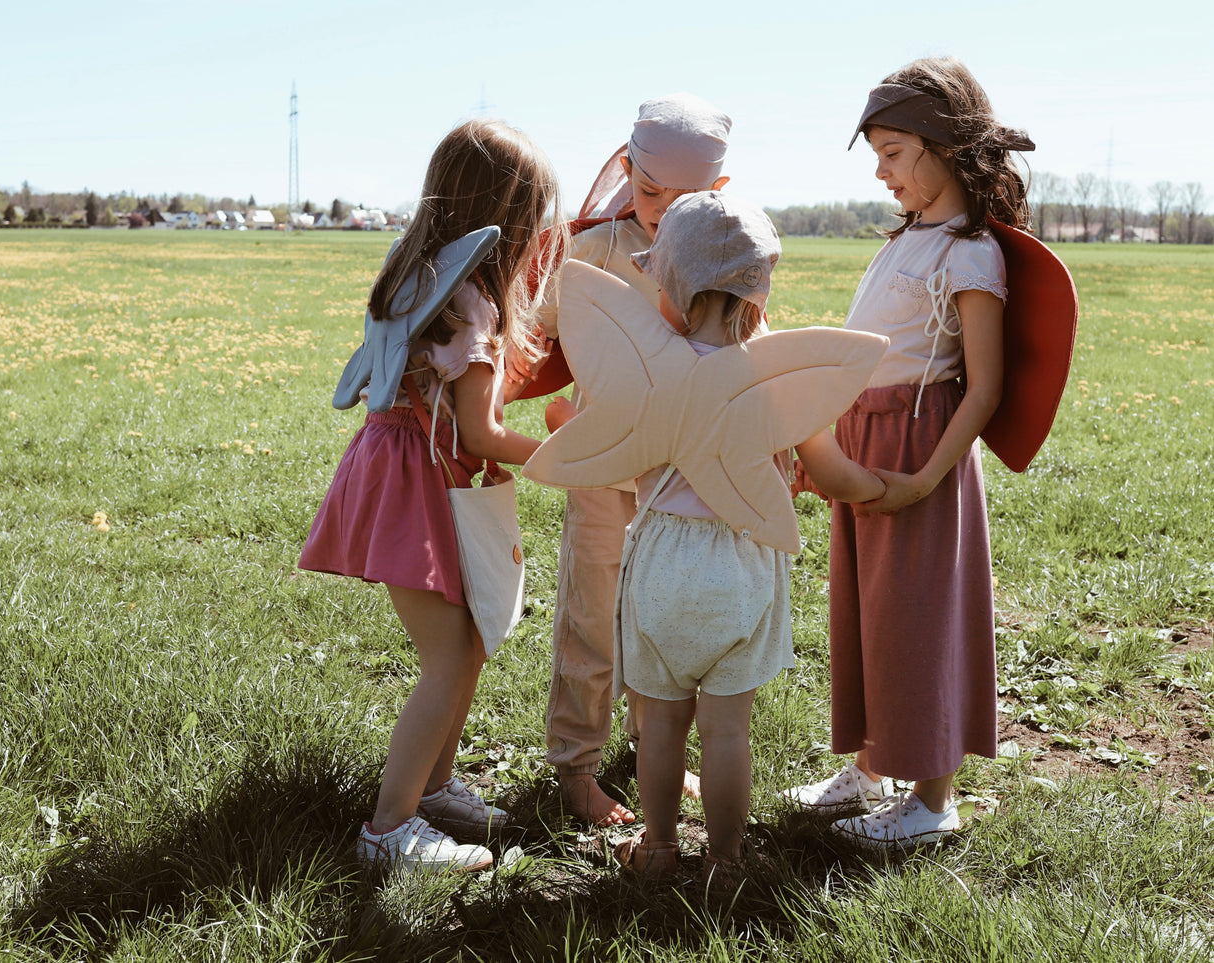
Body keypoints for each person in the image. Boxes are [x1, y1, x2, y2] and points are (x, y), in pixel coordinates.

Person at [539, 191, 887, 882]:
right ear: (758, 302)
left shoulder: (645, 375)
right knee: (726, 731)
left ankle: (660, 846)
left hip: (661, 561)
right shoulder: (776, 380)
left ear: (668, 291)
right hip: (742, 562)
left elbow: (613, 449)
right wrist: (884, 490)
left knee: (662, 726)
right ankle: (727, 860)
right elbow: (832, 473)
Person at [298, 118, 564, 874]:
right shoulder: (471, 298)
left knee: (467, 645)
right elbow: (480, 433)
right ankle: (390, 830)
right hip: (416, 477)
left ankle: (436, 786)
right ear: (506, 217)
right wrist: (565, 457)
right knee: (448, 659)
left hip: (397, 467)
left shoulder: (413, 265)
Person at [783, 56, 1035, 850]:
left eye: (893, 153)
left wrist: (926, 476)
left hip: (918, 449)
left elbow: (985, 387)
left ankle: (932, 799)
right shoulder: (910, 238)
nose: (883, 173)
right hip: (870, 436)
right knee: (869, 614)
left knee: (917, 620)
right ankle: (871, 767)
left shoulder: (968, 253)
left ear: (939, 145)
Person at [536, 93, 733, 827]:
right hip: (597, 465)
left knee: (659, 615)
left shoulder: (722, 250)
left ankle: (656, 744)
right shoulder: (592, 251)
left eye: (681, 198)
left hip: (674, 477)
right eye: (648, 191)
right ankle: (575, 767)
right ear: (625, 169)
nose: (659, 210)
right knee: (591, 613)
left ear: (715, 192)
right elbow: (542, 339)